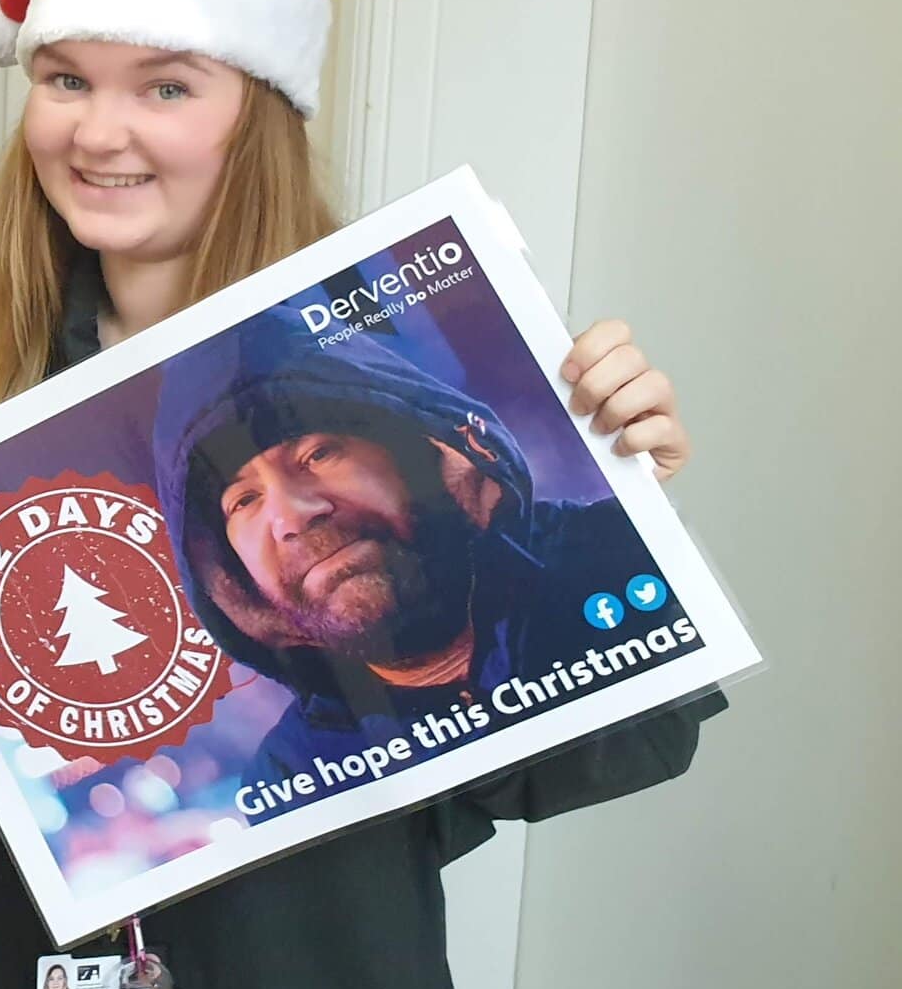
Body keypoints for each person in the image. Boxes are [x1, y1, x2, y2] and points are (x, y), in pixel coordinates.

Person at [0, 0, 724, 989]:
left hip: (314, 961)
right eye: (65, 79)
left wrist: (620, 499)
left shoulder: (397, 352)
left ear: (259, 112)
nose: (97, 131)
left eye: (167, 85)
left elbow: (613, 741)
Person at [155, 307, 700, 789]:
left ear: (425, 456)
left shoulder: (610, 553)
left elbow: (659, 744)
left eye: (319, 454)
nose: (291, 515)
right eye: (244, 499)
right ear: (231, 578)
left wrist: (643, 484)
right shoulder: (294, 774)